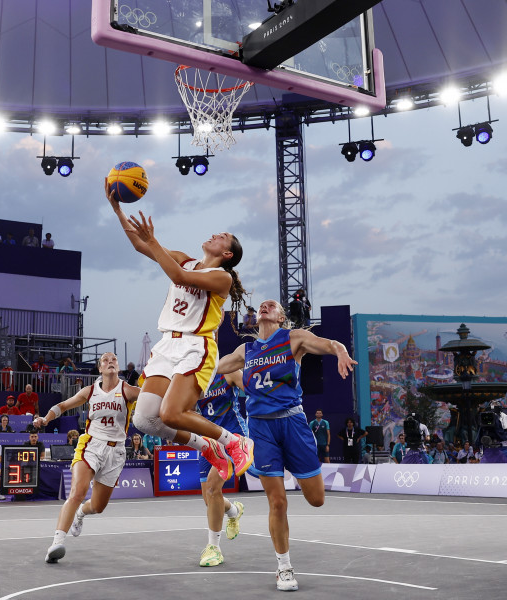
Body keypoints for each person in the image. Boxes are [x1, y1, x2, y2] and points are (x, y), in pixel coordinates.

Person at [109, 184, 253, 482]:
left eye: (222, 237)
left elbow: (178, 276)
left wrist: (154, 242)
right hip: (166, 345)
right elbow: (139, 244)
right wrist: (117, 210)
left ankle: (235, 441)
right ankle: (208, 446)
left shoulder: (221, 277)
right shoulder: (186, 259)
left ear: (227, 253)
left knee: (172, 414)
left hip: (195, 346)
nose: (215, 234)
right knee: (145, 418)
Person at [215, 299, 357, 591]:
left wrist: (341, 351)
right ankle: (284, 567)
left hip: (293, 423)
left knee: (317, 499)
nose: (265, 307)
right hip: (261, 427)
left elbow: (328, 343)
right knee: (277, 502)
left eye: (272, 305)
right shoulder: (247, 350)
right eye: (262, 306)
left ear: (281, 317)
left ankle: (295, 466)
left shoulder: (294, 339)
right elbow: (213, 367)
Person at [37, 352, 141, 563]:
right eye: (105, 360)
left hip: (116, 451)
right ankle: (56, 543)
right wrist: (46, 418)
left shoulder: (128, 391)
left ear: (118, 367)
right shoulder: (90, 391)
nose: (110, 362)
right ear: (100, 368)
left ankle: (81, 514)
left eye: (114, 360)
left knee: (98, 506)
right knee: (77, 492)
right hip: (90, 445)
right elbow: (63, 406)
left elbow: (155, 397)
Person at [196, 370, 248, 568]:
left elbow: (255, 391)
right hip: (207, 439)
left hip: (232, 437)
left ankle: (213, 548)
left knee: (212, 488)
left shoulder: (228, 372)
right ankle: (234, 510)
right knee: (208, 498)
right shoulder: (195, 378)